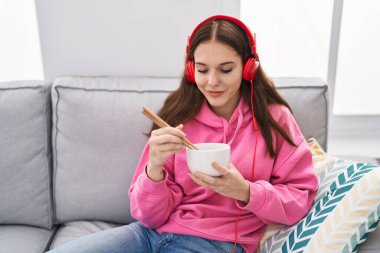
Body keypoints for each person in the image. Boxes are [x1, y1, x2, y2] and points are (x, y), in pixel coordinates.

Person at [47, 15, 318, 253]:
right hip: (149, 236)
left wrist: (245, 191)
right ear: (191, 69)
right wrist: (154, 168)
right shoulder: (178, 116)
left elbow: (300, 198)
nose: (212, 82)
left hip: (216, 243)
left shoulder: (274, 119)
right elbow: (148, 217)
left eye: (225, 69)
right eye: (202, 70)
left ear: (249, 68)